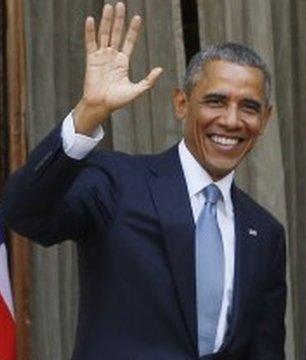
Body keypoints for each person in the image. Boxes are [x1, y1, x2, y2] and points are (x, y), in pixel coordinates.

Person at [2, 3, 285, 359]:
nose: (231, 120)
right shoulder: (117, 184)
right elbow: (23, 212)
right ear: (181, 104)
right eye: (215, 101)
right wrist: (87, 115)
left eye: (249, 107)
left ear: (266, 119)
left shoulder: (264, 231)